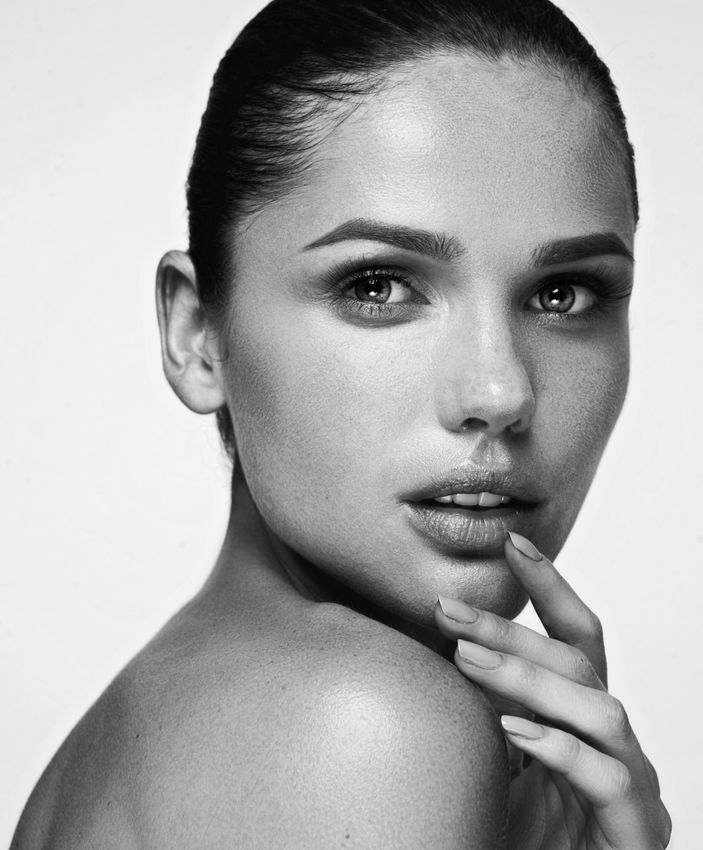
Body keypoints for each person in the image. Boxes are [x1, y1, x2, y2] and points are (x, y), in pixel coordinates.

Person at [11, 0, 671, 846]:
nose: (500, 392)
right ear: (197, 334)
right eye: (376, 286)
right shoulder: (363, 727)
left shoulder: (154, 719)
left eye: (562, 294)